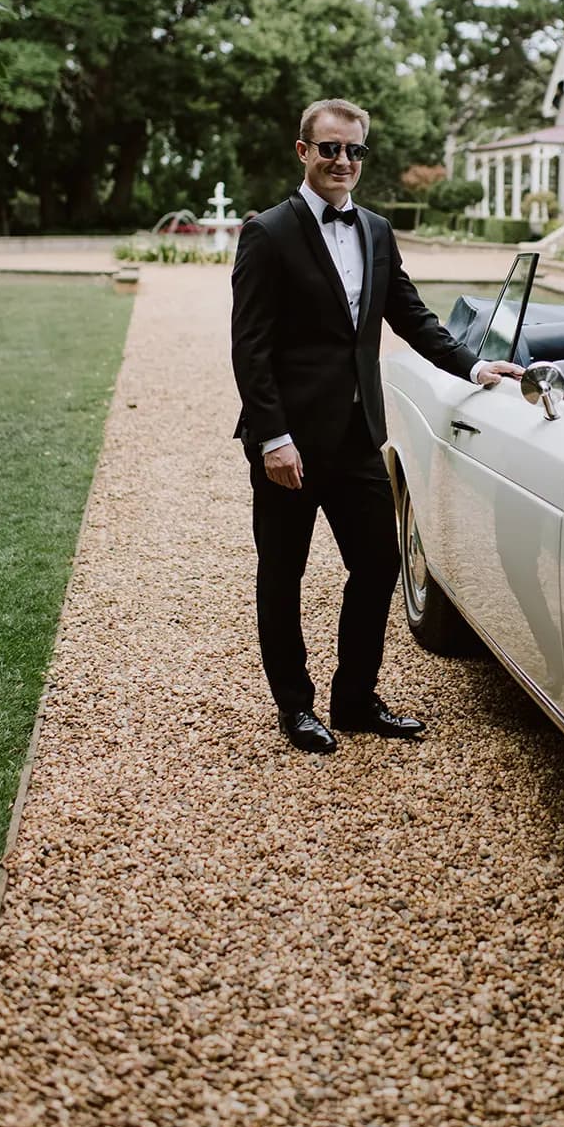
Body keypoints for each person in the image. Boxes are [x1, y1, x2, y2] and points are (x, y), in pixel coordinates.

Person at [231, 97, 521, 756]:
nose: (342, 161)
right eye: (329, 148)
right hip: (290, 444)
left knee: (379, 561)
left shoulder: (377, 232)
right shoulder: (268, 234)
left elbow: (412, 318)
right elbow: (249, 347)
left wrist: (475, 368)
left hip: (359, 433)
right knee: (284, 572)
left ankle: (356, 698)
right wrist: (273, 438)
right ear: (303, 151)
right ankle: (295, 707)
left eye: (354, 150)